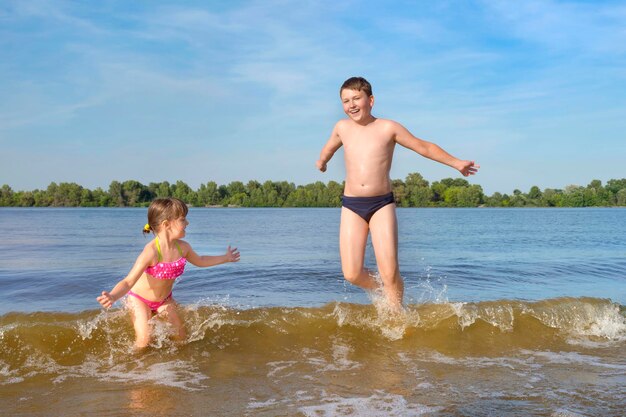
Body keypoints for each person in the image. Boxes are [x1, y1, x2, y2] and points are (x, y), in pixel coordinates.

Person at [316, 76, 479, 310]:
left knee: (390, 270)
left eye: (356, 98)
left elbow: (423, 146)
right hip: (352, 205)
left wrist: (456, 163)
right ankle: (385, 290)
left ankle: (396, 314)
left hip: (381, 204)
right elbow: (329, 147)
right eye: (345, 101)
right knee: (351, 273)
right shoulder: (342, 128)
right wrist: (322, 162)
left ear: (370, 100)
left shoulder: (388, 128)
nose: (351, 104)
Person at [97, 197, 240, 349]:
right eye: (183, 219)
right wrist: (113, 296)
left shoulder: (183, 248)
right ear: (166, 224)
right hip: (140, 299)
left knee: (181, 337)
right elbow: (128, 281)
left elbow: (201, 260)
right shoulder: (151, 251)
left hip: (164, 300)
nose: (187, 223)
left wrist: (225, 258)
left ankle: (177, 366)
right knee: (145, 340)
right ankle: (135, 369)